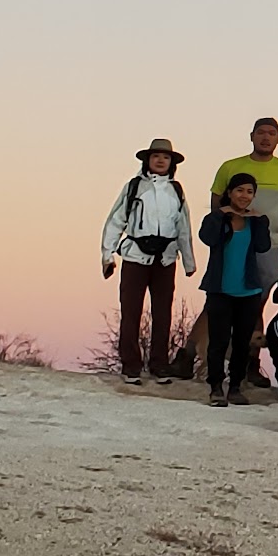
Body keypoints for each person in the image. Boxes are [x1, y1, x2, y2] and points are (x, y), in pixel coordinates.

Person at [98, 137, 197, 386]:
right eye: (156, 156)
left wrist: (188, 260)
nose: (161, 160)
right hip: (135, 255)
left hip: (165, 258)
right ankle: (131, 365)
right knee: (131, 311)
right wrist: (107, 255)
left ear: (172, 163)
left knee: (163, 313)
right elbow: (116, 220)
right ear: (147, 160)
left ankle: (159, 365)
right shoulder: (134, 187)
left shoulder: (176, 190)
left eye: (166, 157)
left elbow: (183, 225)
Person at [197, 173, 274, 407]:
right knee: (218, 341)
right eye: (240, 190)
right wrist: (221, 215)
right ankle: (216, 387)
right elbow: (206, 238)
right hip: (220, 289)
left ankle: (236, 387)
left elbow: (263, 246)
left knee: (242, 343)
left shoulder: (257, 221)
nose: (244, 196)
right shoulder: (215, 219)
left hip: (248, 291)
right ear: (229, 193)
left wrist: (260, 221)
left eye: (250, 192)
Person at [210, 118, 278, 289]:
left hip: (269, 244)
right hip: (233, 242)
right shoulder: (230, 167)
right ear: (252, 136)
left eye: (271, 133)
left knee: (260, 295)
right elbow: (216, 205)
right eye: (261, 132)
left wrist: (275, 235)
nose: (266, 137)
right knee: (220, 297)